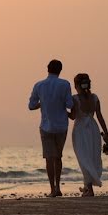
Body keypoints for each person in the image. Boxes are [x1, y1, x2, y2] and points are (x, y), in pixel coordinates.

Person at [28, 59, 73, 197]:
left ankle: (52, 189)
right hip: (61, 126)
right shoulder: (65, 84)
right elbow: (70, 105)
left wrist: (42, 104)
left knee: (49, 158)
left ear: (47, 69)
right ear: (60, 70)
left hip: (46, 126)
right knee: (58, 157)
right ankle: (58, 187)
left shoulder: (39, 85)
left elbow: (31, 106)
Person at [68, 73, 108, 197]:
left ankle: (89, 188)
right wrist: (106, 133)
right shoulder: (95, 98)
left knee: (83, 158)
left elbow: (73, 116)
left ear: (76, 85)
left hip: (80, 129)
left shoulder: (75, 99)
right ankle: (87, 186)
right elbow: (100, 117)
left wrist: (62, 112)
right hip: (93, 129)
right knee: (91, 157)